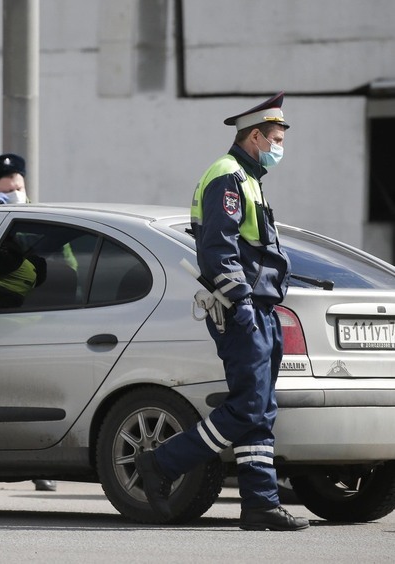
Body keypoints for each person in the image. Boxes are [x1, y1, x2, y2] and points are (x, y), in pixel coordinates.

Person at [135, 93, 309, 531]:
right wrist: (245, 304)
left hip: (261, 309)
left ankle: (259, 504)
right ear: (254, 136)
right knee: (249, 406)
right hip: (241, 309)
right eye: (275, 138)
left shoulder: (249, 178)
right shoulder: (227, 176)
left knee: (260, 409)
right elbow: (219, 250)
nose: (279, 147)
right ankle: (161, 462)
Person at [0, 153, 56, 493]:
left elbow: (66, 266)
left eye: (20, 183)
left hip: (35, 318)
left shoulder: (44, 220)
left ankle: (39, 467)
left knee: (33, 397)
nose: (17, 188)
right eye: (9, 185)